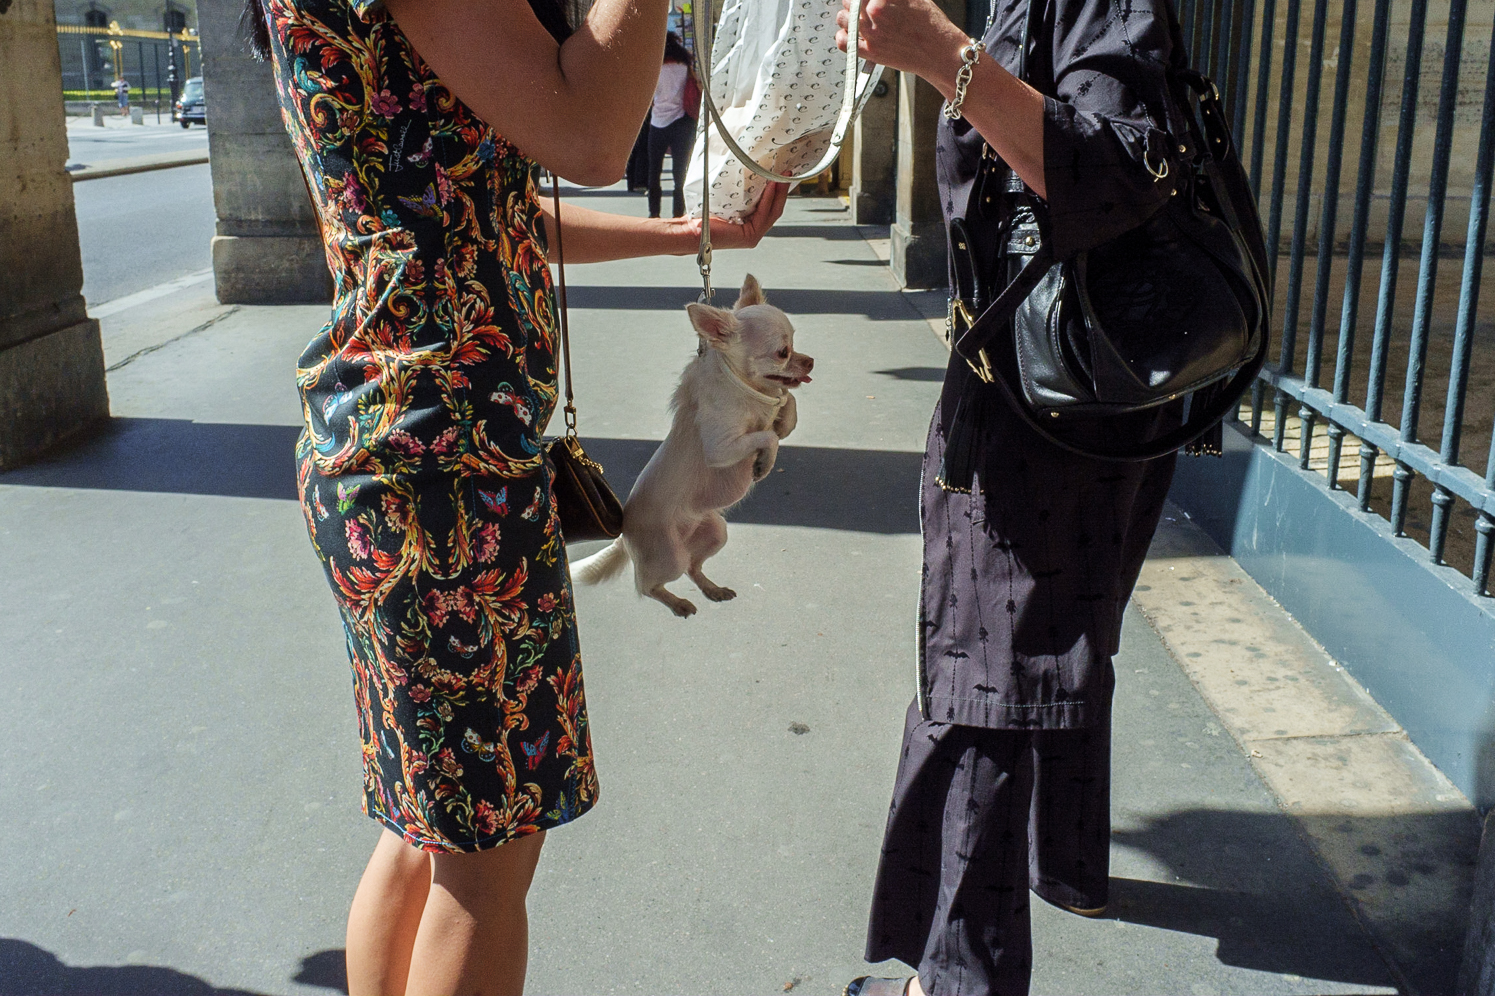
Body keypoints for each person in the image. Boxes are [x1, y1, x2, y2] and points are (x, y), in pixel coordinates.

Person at [238, 0, 789, 993]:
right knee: (484, 864)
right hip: (439, 464)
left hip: (401, 451)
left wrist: (679, 236)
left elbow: (482, 207)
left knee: (430, 836)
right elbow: (589, 135)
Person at [834, 0, 1197, 993]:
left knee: (979, 679)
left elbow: (1112, 170)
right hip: (1075, 382)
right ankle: (1069, 867)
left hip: (1051, 396)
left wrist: (940, 54)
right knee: (1058, 630)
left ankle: (955, 985)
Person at [645, 32, 698, 218]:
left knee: (654, 171)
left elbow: (649, 99)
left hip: (658, 122)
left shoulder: (654, 69)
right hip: (682, 122)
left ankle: (654, 213)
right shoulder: (684, 66)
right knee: (680, 173)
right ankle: (678, 213)